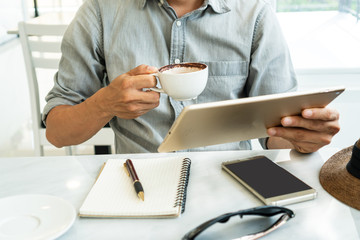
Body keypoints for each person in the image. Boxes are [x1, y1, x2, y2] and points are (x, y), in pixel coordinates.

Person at [43, 0, 340, 154]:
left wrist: (302, 139)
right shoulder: (100, 11)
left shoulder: (254, 14)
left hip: (236, 170)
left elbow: (275, 137)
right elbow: (57, 135)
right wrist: (103, 105)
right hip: (138, 172)